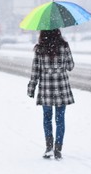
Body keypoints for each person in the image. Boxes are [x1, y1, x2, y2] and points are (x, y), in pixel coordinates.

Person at [27, 29, 75, 160]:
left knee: (47, 118)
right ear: (58, 32)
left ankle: (49, 148)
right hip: (61, 89)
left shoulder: (39, 49)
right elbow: (70, 66)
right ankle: (58, 149)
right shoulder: (64, 46)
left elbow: (35, 70)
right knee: (60, 119)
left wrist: (31, 87)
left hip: (46, 90)